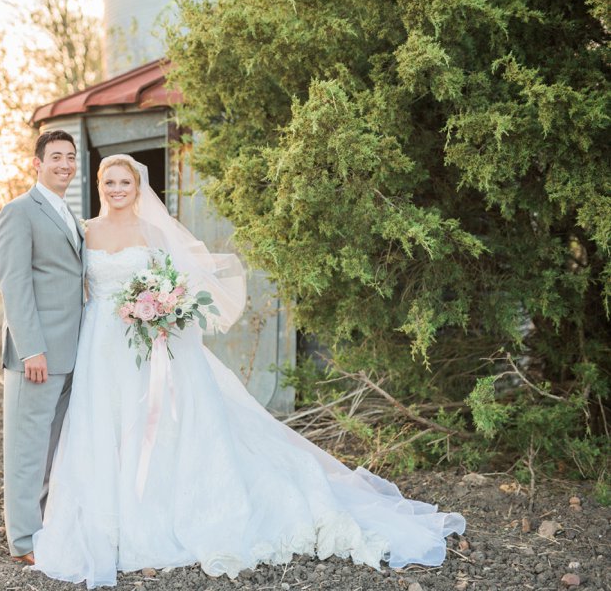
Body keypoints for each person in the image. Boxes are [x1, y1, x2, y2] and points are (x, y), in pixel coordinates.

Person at [31, 154, 466, 588]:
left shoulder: (153, 231)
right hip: (100, 346)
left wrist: (162, 308)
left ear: (138, 187)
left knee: (161, 425)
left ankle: (160, 508)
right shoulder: (84, 230)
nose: (117, 189)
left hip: (149, 345)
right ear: (100, 185)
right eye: (110, 182)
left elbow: (179, 279)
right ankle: (109, 518)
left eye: (125, 181)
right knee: (103, 423)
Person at [0, 130, 86, 565]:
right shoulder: (18, 212)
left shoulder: (69, 214)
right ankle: (24, 542)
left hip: (72, 352)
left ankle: (46, 525)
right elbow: (14, 284)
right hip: (38, 355)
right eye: (55, 157)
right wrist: (30, 349)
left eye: (70, 157)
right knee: (27, 449)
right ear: (37, 163)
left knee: (54, 447)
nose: (65, 164)